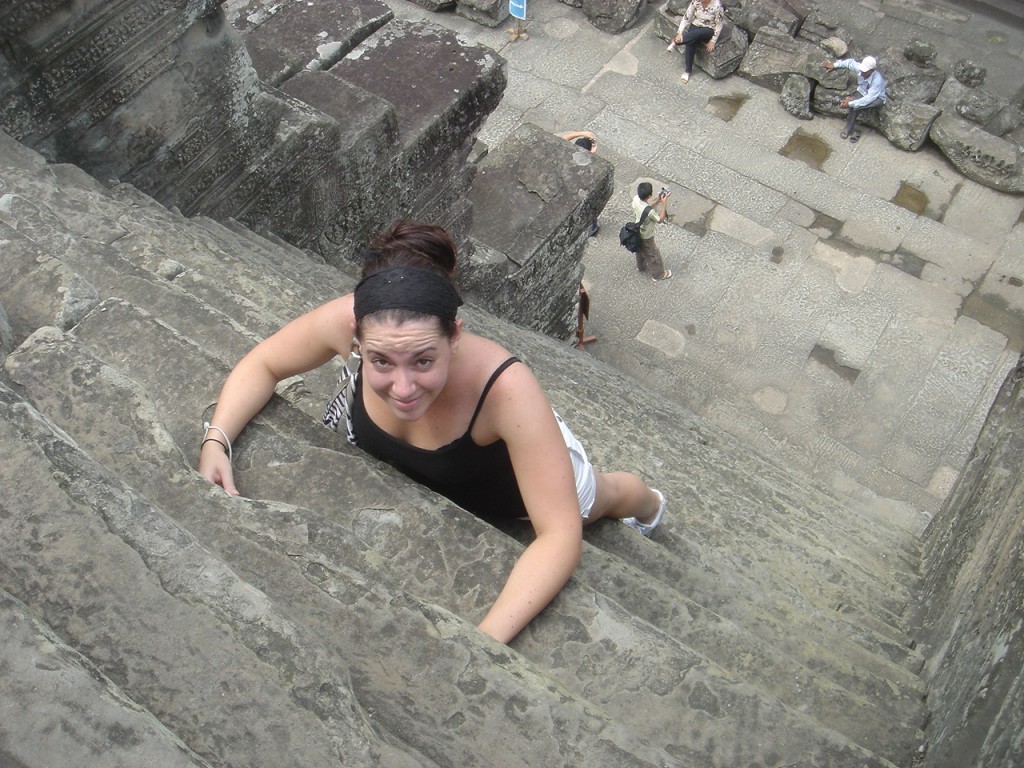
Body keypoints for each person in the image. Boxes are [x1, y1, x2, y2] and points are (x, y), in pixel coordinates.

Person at [198, 220, 668, 644]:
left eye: (423, 360)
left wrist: (483, 642)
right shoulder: (358, 320)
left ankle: (649, 505)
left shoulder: (507, 389)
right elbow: (264, 363)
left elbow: (560, 534)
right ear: (358, 337)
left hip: (527, 486)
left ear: (455, 335)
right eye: (380, 361)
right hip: (437, 475)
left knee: (601, 495)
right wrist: (217, 438)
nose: (402, 389)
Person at [822, 55, 887, 142]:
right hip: (862, 92)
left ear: (872, 71)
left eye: (865, 71)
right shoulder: (860, 69)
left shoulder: (877, 81)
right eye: (862, 70)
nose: (862, 73)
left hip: (876, 98)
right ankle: (849, 125)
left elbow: (868, 99)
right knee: (854, 104)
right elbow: (849, 63)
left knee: (856, 106)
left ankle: (848, 127)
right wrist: (834, 65)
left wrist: (850, 103)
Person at [668, 0, 724, 84]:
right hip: (696, 24)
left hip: (709, 28)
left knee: (697, 34)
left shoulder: (717, 5)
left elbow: (719, 25)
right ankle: (687, 70)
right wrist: (679, 32)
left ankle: (677, 42)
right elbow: (687, 17)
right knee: (691, 42)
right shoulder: (696, 1)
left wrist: (713, 41)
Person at [561, 130, 600, 236]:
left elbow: (564, 138)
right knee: (590, 210)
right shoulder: (590, 165)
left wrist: (582, 133)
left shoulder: (567, 154)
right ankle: (592, 228)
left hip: (567, 190)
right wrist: (592, 152)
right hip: (582, 193)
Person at [632, 182, 672, 281]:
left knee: (640, 250)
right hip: (647, 236)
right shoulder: (650, 212)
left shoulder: (636, 199)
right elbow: (660, 219)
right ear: (649, 196)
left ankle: (641, 267)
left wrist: (657, 201)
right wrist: (664, 203)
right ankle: (658, 275)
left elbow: (646, 207)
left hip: (637, 232)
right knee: (653, 254)